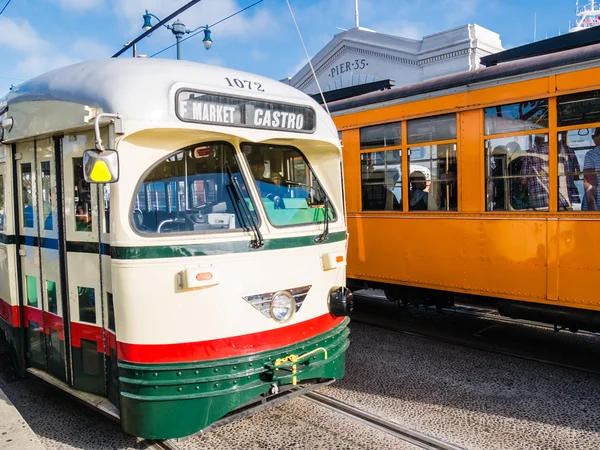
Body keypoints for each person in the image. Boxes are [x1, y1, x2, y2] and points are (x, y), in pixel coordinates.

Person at [583, 127, 600, 211]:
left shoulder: (592, 154)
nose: (593, 139)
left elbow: (589, 183)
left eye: (593, 136)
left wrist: (592, 210)